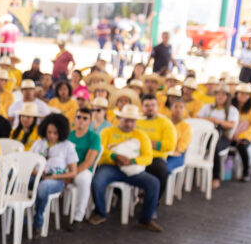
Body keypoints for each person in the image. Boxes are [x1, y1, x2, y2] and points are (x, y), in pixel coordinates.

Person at [88, 104, 162, 232]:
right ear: (119, 119)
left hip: (133, 168)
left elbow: (148, 157)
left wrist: (132, 161)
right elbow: (99, 150)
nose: (129, 123)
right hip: (111, 166)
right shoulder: (107, 132)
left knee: (154, 183)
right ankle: (100, 212)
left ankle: (146, 220)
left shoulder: (141, 135)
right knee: (97, 181)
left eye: (132, 121)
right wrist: (114, 156)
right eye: (126, 120)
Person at [30, 113, 79, 234]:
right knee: (13, 184)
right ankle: (22, 218)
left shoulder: (68, 146)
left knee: (43, 187)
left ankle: (38, 220)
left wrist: (55, 176)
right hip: (37, 176)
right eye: (49, 132)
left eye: (55, 133)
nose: (51, 136)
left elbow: (73, 172)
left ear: (61, 132)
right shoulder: (38, 144)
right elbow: (28, 165)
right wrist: (37, 172)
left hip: (57, 180)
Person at [197, 84, 239, 188]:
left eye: (223, 95)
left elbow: (231, 124)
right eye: (218, 94)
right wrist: (210, 121)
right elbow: (197, 118)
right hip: (205, 136)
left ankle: (215, 177)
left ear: (227, 97)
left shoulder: (232, 110)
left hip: (223, 137)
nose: (220, 97)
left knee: (214, 146)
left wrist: (217, 121)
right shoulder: (208, 107)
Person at [66, 107, 101, 230]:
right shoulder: (68, 135)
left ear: (90, 121)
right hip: (67, 167)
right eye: (79, 117)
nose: (81, 120)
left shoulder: (94, 137)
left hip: (82, 169)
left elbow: (89, 161)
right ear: (74, 119)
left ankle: (78, 217)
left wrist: (72, 173)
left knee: (84, 180)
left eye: (85, 118)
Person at [136, 94, 177, 197]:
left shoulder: (165, 123)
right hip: (135, 156)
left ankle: (154, 202)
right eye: (147, 105)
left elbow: (170, 145)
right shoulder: (135, 120)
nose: (150, 108)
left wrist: (148, 144)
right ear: (141, 107)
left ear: (157, 107)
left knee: (162, 172)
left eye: (153, 105)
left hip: (155, 158)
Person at [232, 84, 251, 182]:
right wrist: (232, 135)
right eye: (241, 93)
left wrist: (240, 136)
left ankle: (246, 171)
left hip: (244, 137)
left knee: (242, 146)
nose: (243, 96)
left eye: (246, 94)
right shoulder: (231, 107)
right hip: (230, 136)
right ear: (236, 94)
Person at [164, 92, 191, 175]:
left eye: (181, 107)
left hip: (177, 155)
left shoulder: (186, 126)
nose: (178, 109)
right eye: (175, 107)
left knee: (165, 168)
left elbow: (182, 146)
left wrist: (171, 147)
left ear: (184, 110)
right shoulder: (165, 122)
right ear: (171, 108)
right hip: (163, 152)